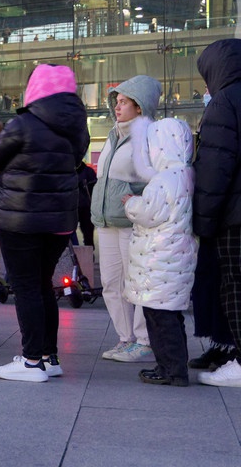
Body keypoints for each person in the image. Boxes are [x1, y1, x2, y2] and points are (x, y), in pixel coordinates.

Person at [0, 64, 89, 382]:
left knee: (27, 285)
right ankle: (48, 357)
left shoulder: (24, 123)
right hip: (59, 218)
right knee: (43, 284)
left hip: (21, 215)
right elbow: (75, 160)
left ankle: (31, 362)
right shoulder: (77, 126)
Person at [92, 75, 161, 364]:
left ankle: (144, 341)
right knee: (110, 282)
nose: (117, 107)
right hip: (106, 221)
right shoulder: (112, 135)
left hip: (132, 220)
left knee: (136, 283)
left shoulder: (150, 137)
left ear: (140, 107)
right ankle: (125, 338)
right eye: (116, 102)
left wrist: (135, 196)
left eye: (124, 102)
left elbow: (157, 179)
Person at [123, 118, 197, 386]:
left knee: (158, 318)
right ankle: (173, 366)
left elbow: (150, 212)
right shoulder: (186, 174)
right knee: (171, 318)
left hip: (160, 259)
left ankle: (171, 370)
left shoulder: (163, 179)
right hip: (175, 259)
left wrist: (131, 203)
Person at [194, 38, 241, 387]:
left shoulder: (224, 102)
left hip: (234, 218)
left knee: (235, 286)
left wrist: (204, 222)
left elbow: (214, 169)